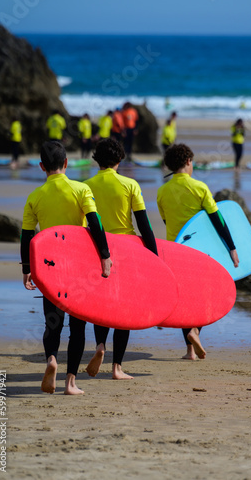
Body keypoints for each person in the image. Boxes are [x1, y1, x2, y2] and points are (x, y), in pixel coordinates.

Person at [20, 140, 112, 395]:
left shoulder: (35, 196)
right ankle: (70, 382)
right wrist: (105, 256)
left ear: (41, 167)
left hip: (49, 268)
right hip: (79, 265)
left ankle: (51, 359)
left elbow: (27, 236)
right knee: (78, 326)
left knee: (53, 323)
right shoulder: (81, 190)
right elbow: (95, 223)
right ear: (66, 163)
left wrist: (26, 268)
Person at [157, 143, 239, 360]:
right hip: (200, 253)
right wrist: (231, 247)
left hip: (174, 250)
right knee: (203, 297)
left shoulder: (162, 191)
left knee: (184, 298)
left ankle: (189, 351)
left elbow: (167, 220)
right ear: (188, 163)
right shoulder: (200, 188)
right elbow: (217, 220)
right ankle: (195, 332)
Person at [84, 138, 158, 379]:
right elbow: (143, 224)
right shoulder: (130, 185)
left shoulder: (85, 186)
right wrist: (154, 256)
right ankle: (117, 368)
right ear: (119, 159)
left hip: (97, 249)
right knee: (123, 308)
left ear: (97, 159)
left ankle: (100, 346)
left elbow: (83, 224)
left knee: (100, 304)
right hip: (127, 250)